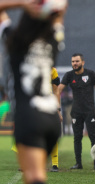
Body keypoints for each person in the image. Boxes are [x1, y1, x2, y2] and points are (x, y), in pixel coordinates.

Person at [2, 0, 67, 183]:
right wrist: (47, 8)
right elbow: (60, 10)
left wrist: (23, 4)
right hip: (51, 118)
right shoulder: (52, 41)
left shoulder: (14, 40)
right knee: (38, 174)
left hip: (29, 116)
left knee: (33, 176)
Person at [58, 53, 95, 170]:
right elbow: (58, 90)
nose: (74, 63)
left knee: (93, 137)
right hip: (76, 112)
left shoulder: (90, 74)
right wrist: (57, 107)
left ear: (83, 62)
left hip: (90, 111)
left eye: (77, 61)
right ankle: (78, 163)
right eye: (73, 61)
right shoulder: (69, 75)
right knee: (77, 137)